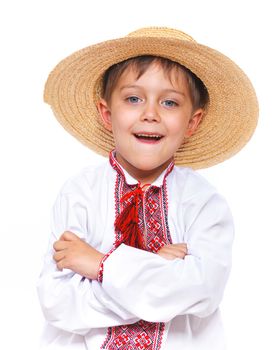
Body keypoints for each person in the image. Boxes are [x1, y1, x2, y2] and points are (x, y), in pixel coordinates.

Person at [37, 27, 258, 349]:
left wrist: (101, 265)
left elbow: (204, 292)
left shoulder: (203, 201)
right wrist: (159, 270)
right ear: (107, 114)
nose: (150, 114)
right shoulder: (80, 192)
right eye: (133, 99)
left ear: (192, 122)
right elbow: (59, 303)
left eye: (169, 102)